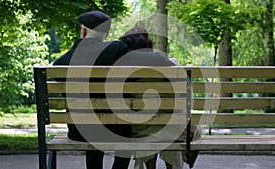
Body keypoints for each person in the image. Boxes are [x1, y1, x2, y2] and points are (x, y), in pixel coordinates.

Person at [53, 11, 132, 169]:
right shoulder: (117, 49)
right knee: (123, 131)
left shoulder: (62, 63)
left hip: (79, 131)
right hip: (116, 128)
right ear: (106, 34)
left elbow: (57, 75)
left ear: (83, 32)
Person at [117, 26, 188, 169]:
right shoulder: (170, 64)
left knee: (148, 128)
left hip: (141, 128)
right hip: (172, 128)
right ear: (149, 44)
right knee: (168, 125)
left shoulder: (123, 69)